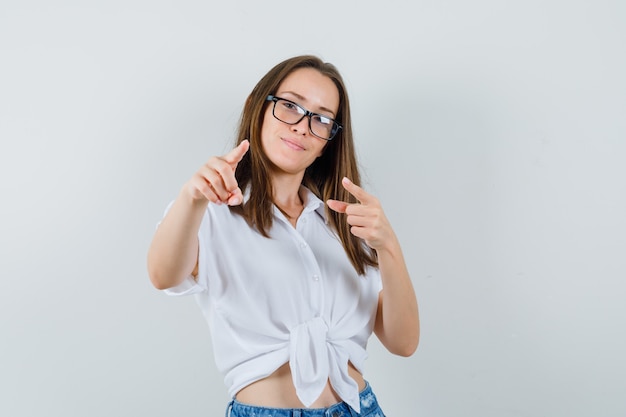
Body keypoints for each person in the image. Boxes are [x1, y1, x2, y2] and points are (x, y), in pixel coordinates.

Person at [147, 55, 419, 417]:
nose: (303, 126)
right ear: (259, 107)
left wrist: (389, 245)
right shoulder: (211, 212)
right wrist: (191, 198)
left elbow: (403, 343)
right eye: (290, 106)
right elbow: (163, 275)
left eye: (322, 118)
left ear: (328, 141)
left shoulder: (342, 221)